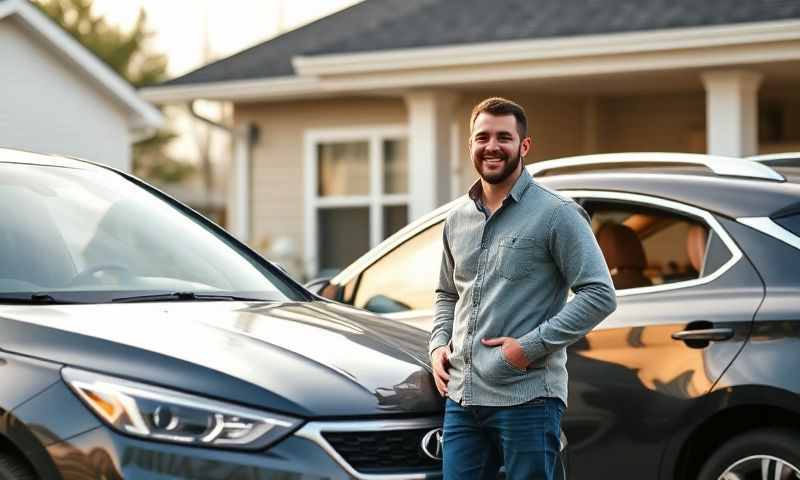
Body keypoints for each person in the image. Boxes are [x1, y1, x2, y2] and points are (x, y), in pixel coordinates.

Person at [429, 97, 617, 480]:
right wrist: (436, 345)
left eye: (504, 137)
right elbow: (447, 293)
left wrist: (525, 348)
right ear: (470, 146)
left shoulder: (556, 214)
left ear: (524, 146)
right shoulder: (456, 219)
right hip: (462, 399)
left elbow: (599, 295)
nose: (492, 146)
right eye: (482, 137)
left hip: (526, 398)